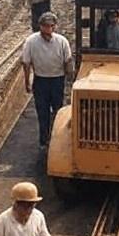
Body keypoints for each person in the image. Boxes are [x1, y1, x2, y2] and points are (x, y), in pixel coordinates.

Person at [21, 12, 73, 149]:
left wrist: (69, 80)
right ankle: (44, 140)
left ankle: (57, 138)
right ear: (40, 26)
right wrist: (27, 82)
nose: (48, 29)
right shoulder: (31, 41)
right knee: (42, 111)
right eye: (45, 26)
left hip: (57, 80)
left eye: (51, 26)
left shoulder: (62, 41)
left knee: (58, 111)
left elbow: (68, 61)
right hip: (41, 81)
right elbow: (26, 63)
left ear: (55, 26)